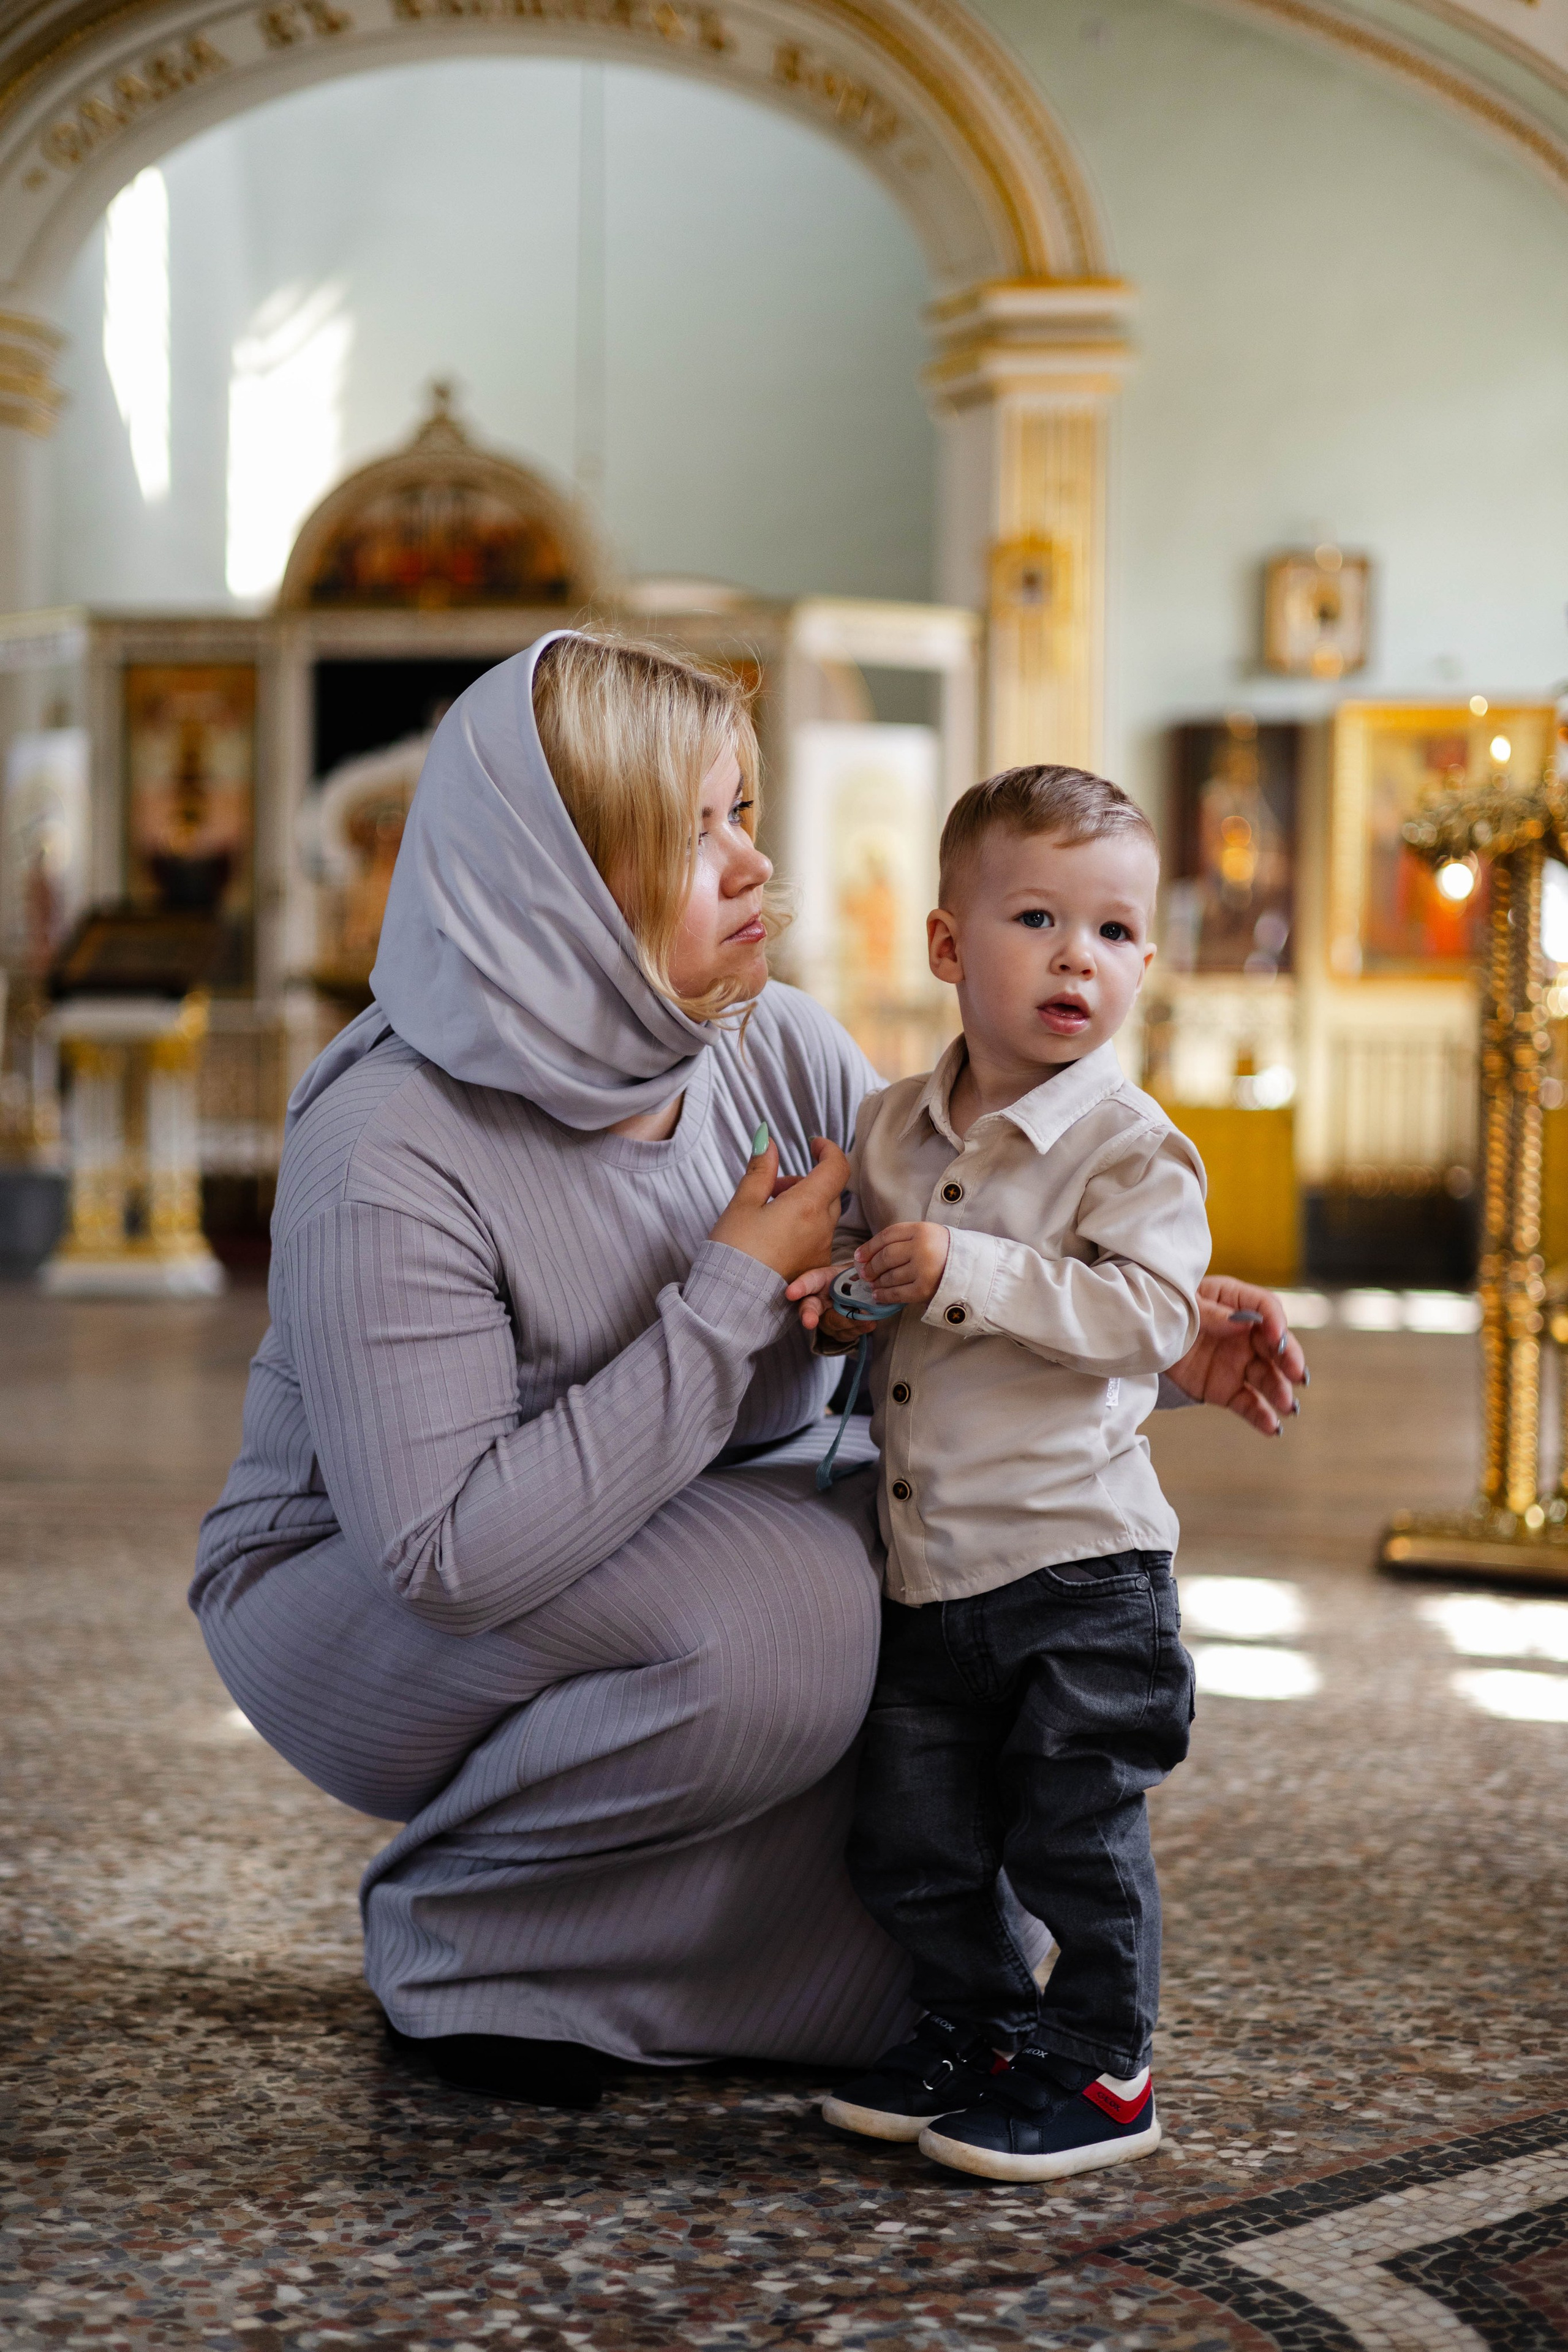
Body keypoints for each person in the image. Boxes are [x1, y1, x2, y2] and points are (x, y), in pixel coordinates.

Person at [192, 634, 1306, 2112]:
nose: (751, 868)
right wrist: (724, 1289)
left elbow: (912, 1297)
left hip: (668, 1530)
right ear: (562, 871)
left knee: (990, 1611)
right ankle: (464, 1936)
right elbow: (444, 1554)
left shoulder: (764, 1042)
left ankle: (632, 1976)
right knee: (790, 1612)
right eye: (694, 831)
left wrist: (1156, 1339)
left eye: (743, 815)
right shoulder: (391, 1140)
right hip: (366, 1601)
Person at [790, 764, 1210, 2182]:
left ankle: (1103, 2069)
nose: (1074, 959)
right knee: (910, 1839)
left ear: (1142, 959)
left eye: (1110, 932)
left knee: (1072, 1838)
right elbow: (871, 1303)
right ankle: (977, 2029)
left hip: (1080, 1568)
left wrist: (963, 1268)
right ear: (947, 947)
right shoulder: (893, 1126)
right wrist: (852, 1300)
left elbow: (1149, 1319)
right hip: (932, 1568)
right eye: (1035, 917)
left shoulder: (1130, 1146)